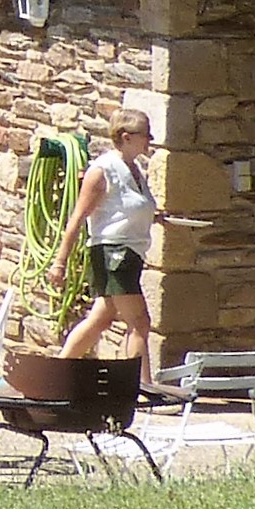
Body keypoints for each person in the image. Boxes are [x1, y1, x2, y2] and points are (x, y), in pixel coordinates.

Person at [45, 112, 162, 359]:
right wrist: (60, 263)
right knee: (140, 322)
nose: (149, 141)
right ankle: (141, 389)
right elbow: (77, 217)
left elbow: (129, 209)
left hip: (130, 254)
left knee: (101, 318)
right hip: (114, 254)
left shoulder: (135, 169)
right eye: (145, 135)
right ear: (127, 137)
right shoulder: (103, 170)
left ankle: (59, 369)